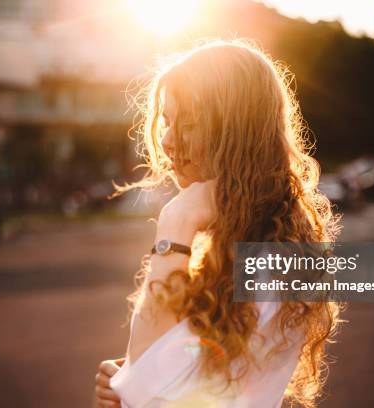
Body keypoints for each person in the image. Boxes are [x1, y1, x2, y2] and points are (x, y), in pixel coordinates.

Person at [94, 39, 342, 408]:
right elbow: (164, 379)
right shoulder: (234, 237)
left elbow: (156, 394)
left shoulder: (275, 263)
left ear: (237, 134)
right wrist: (129, 377)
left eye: (189, 123)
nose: (166, 140)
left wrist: (174, 225)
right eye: (167, 121)